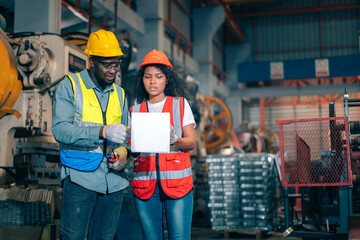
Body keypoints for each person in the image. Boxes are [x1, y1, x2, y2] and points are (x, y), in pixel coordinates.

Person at [52, 29, 131, 240]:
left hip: (113, 182)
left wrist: (123, 154)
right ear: (92, 61)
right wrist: (102, 131)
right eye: (107, 64)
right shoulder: (70, 87)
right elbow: (60, 129)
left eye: (116, 64)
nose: (113, 70)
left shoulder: (121, 94)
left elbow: (127, 135)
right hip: (80, 179)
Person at [130, 49, 196, 240]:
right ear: (142, 79)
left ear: (167, 79)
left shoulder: (180, 105)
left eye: (158, 77)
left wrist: (176, 139)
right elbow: (133, 150)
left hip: (178, 186)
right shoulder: (135, 110)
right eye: (148, 77)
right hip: (145, 187)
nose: (152, 82)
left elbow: (190, 142)